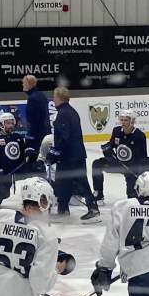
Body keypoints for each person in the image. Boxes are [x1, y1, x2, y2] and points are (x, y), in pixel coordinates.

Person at [46, 86, 99, 221]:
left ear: (59, 98)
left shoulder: (64, 113)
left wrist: (54, 153)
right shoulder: (71, 111)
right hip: (74, 155)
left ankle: (93, 209)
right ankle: (63, 210)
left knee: (79, 182)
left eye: (54, 97)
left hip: (70, 156)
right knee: (64, 183)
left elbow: (64, 137)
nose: (53, 99)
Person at [0, 113, 41, 208]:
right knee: (1, 197)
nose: (11, 125)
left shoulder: (17, 137)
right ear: (1, 124)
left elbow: (23, 152)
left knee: (37, 170)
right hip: (5, 172)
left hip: (19, 169)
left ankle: (38, 198)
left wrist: (29, 153)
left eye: (12, 123)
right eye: (8, 123)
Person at [91, 109, 147, 202]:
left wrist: (138, 171)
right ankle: (98, 193)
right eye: (122, 120)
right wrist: (107, 148)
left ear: (132, 121)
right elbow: (112, 144)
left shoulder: (139, 135)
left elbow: (143, 157)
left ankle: (135, 194)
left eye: (126, 120)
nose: (123, 122)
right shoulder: (117, 131)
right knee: (97, 164)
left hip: (132, 167)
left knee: (131, 197)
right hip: (117, 163)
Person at [21, 75, 51, 153]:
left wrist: (30, 137)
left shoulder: (33, 98)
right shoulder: (41, 95)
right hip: (45, 133)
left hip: (37, 137)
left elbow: (33, 121)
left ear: (28, 83)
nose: (22, 85)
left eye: (24, 83)